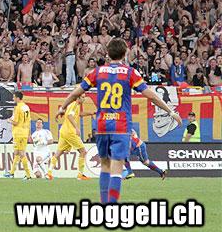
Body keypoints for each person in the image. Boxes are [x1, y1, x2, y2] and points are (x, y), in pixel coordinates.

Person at [58, 38, 182, 203]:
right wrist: (170, 111)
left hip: (102, 125)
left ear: (108, 54)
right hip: (121, 126)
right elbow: (151, 95)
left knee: (105, 165)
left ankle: (104, 203)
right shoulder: (130, 73)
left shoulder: (97, 72)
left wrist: (63, 107)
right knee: (117, 166)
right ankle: (112, 205)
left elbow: (76, 92)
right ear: (124, 54)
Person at [47, 94, 90, 180]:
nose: (84, 99)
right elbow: (69, 116)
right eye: (83, 97)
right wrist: (76, 128)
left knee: (58, 153)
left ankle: (49, 172)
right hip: (70, 132)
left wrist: (92, 113)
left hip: (64, 131)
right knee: (83, 152)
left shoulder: (73, 105)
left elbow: (78, 114)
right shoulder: (74, 105)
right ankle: (80, 174)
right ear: (78, 98)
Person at [4, 91, 32, 179]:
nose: (13, 99)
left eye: (14, 97)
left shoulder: (18, 107)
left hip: (18, 133)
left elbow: (15, 122)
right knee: (16, 152)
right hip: (24, 132)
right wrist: (29, 134)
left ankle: (28, 175)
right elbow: (29, 121)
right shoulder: (26, 107)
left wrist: (9, 121)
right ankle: (12, 173)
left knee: (21, 153)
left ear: (17, 98)